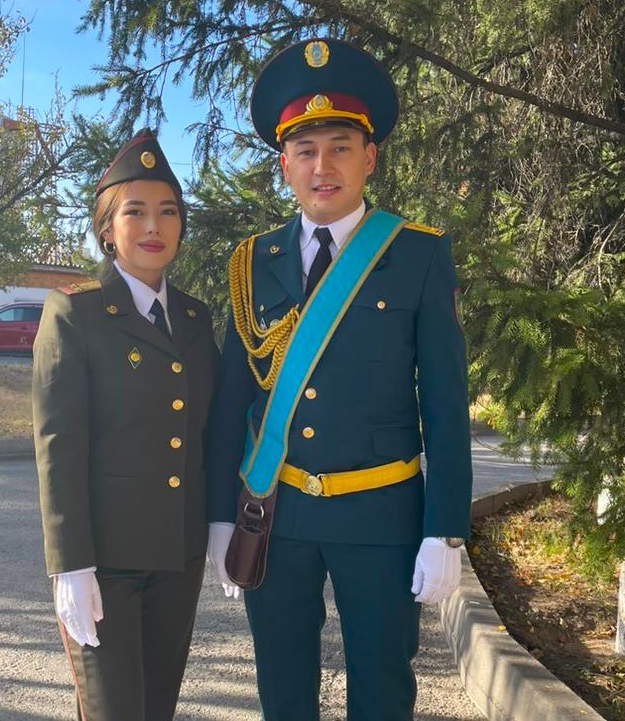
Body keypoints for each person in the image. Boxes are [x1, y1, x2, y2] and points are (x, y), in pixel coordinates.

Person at [204, 38, 474, 721]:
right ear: (284, 165)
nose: (322, 167)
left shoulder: (416, 254)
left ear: (369, 158)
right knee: (283, 690)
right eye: (305, 150)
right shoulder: (252, 261)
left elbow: (445, 403)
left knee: (382, 692)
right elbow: (233, 399)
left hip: (382, 514)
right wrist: (219, 516)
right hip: (277, 515)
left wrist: (445, 529)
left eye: (340, 147)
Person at [32, 128, 219, 721]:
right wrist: (69, 563)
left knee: (157, 709)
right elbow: (59, 445)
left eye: (168, 211)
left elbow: (208, 432)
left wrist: (219, 522)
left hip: (178, 557)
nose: (153, 226)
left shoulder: (194, 318)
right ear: (108, 228)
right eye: (135, 211)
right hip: (104, 561)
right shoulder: (76, 311)